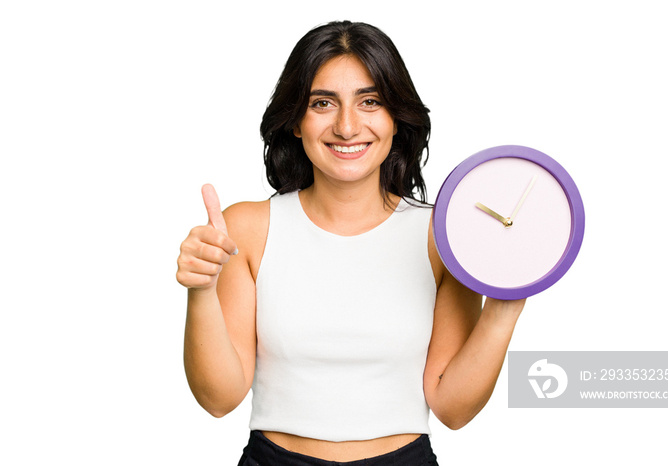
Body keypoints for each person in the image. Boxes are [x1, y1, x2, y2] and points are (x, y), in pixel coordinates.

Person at [176, 21, 525, 466]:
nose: (346, 125)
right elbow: (218, 399)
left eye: (370, 101)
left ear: (396, 119)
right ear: (297, 122)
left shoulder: (443, 235)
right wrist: (201, 291)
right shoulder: (246, 228)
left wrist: (505, 306)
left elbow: (453, 409)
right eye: (323, 103)